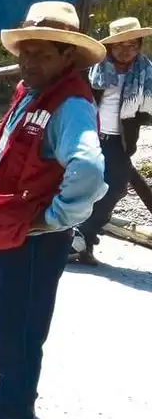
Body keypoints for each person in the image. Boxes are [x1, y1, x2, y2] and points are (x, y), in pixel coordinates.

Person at [0, 1, 107, 419]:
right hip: (19, 232)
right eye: (26, 51)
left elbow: (89, 169)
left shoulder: (71, 105)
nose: (29, 60)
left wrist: (55, 218)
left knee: (20, 322)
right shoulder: (35, 90)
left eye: (42, 53)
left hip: (36, 236)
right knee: (12, 316)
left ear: (68, 57)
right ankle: (13, 390)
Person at [70, 16, 152, 265]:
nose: (126, 51)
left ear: (138, 45)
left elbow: (146, 112)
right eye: (119, 46)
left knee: (115, 188)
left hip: (119, 141)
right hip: (89, 134)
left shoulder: (145, 72)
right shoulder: (93, 68)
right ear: (109, 47)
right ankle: (74, 241)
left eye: (132, 45)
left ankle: (82, 237)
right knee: (83, 187)